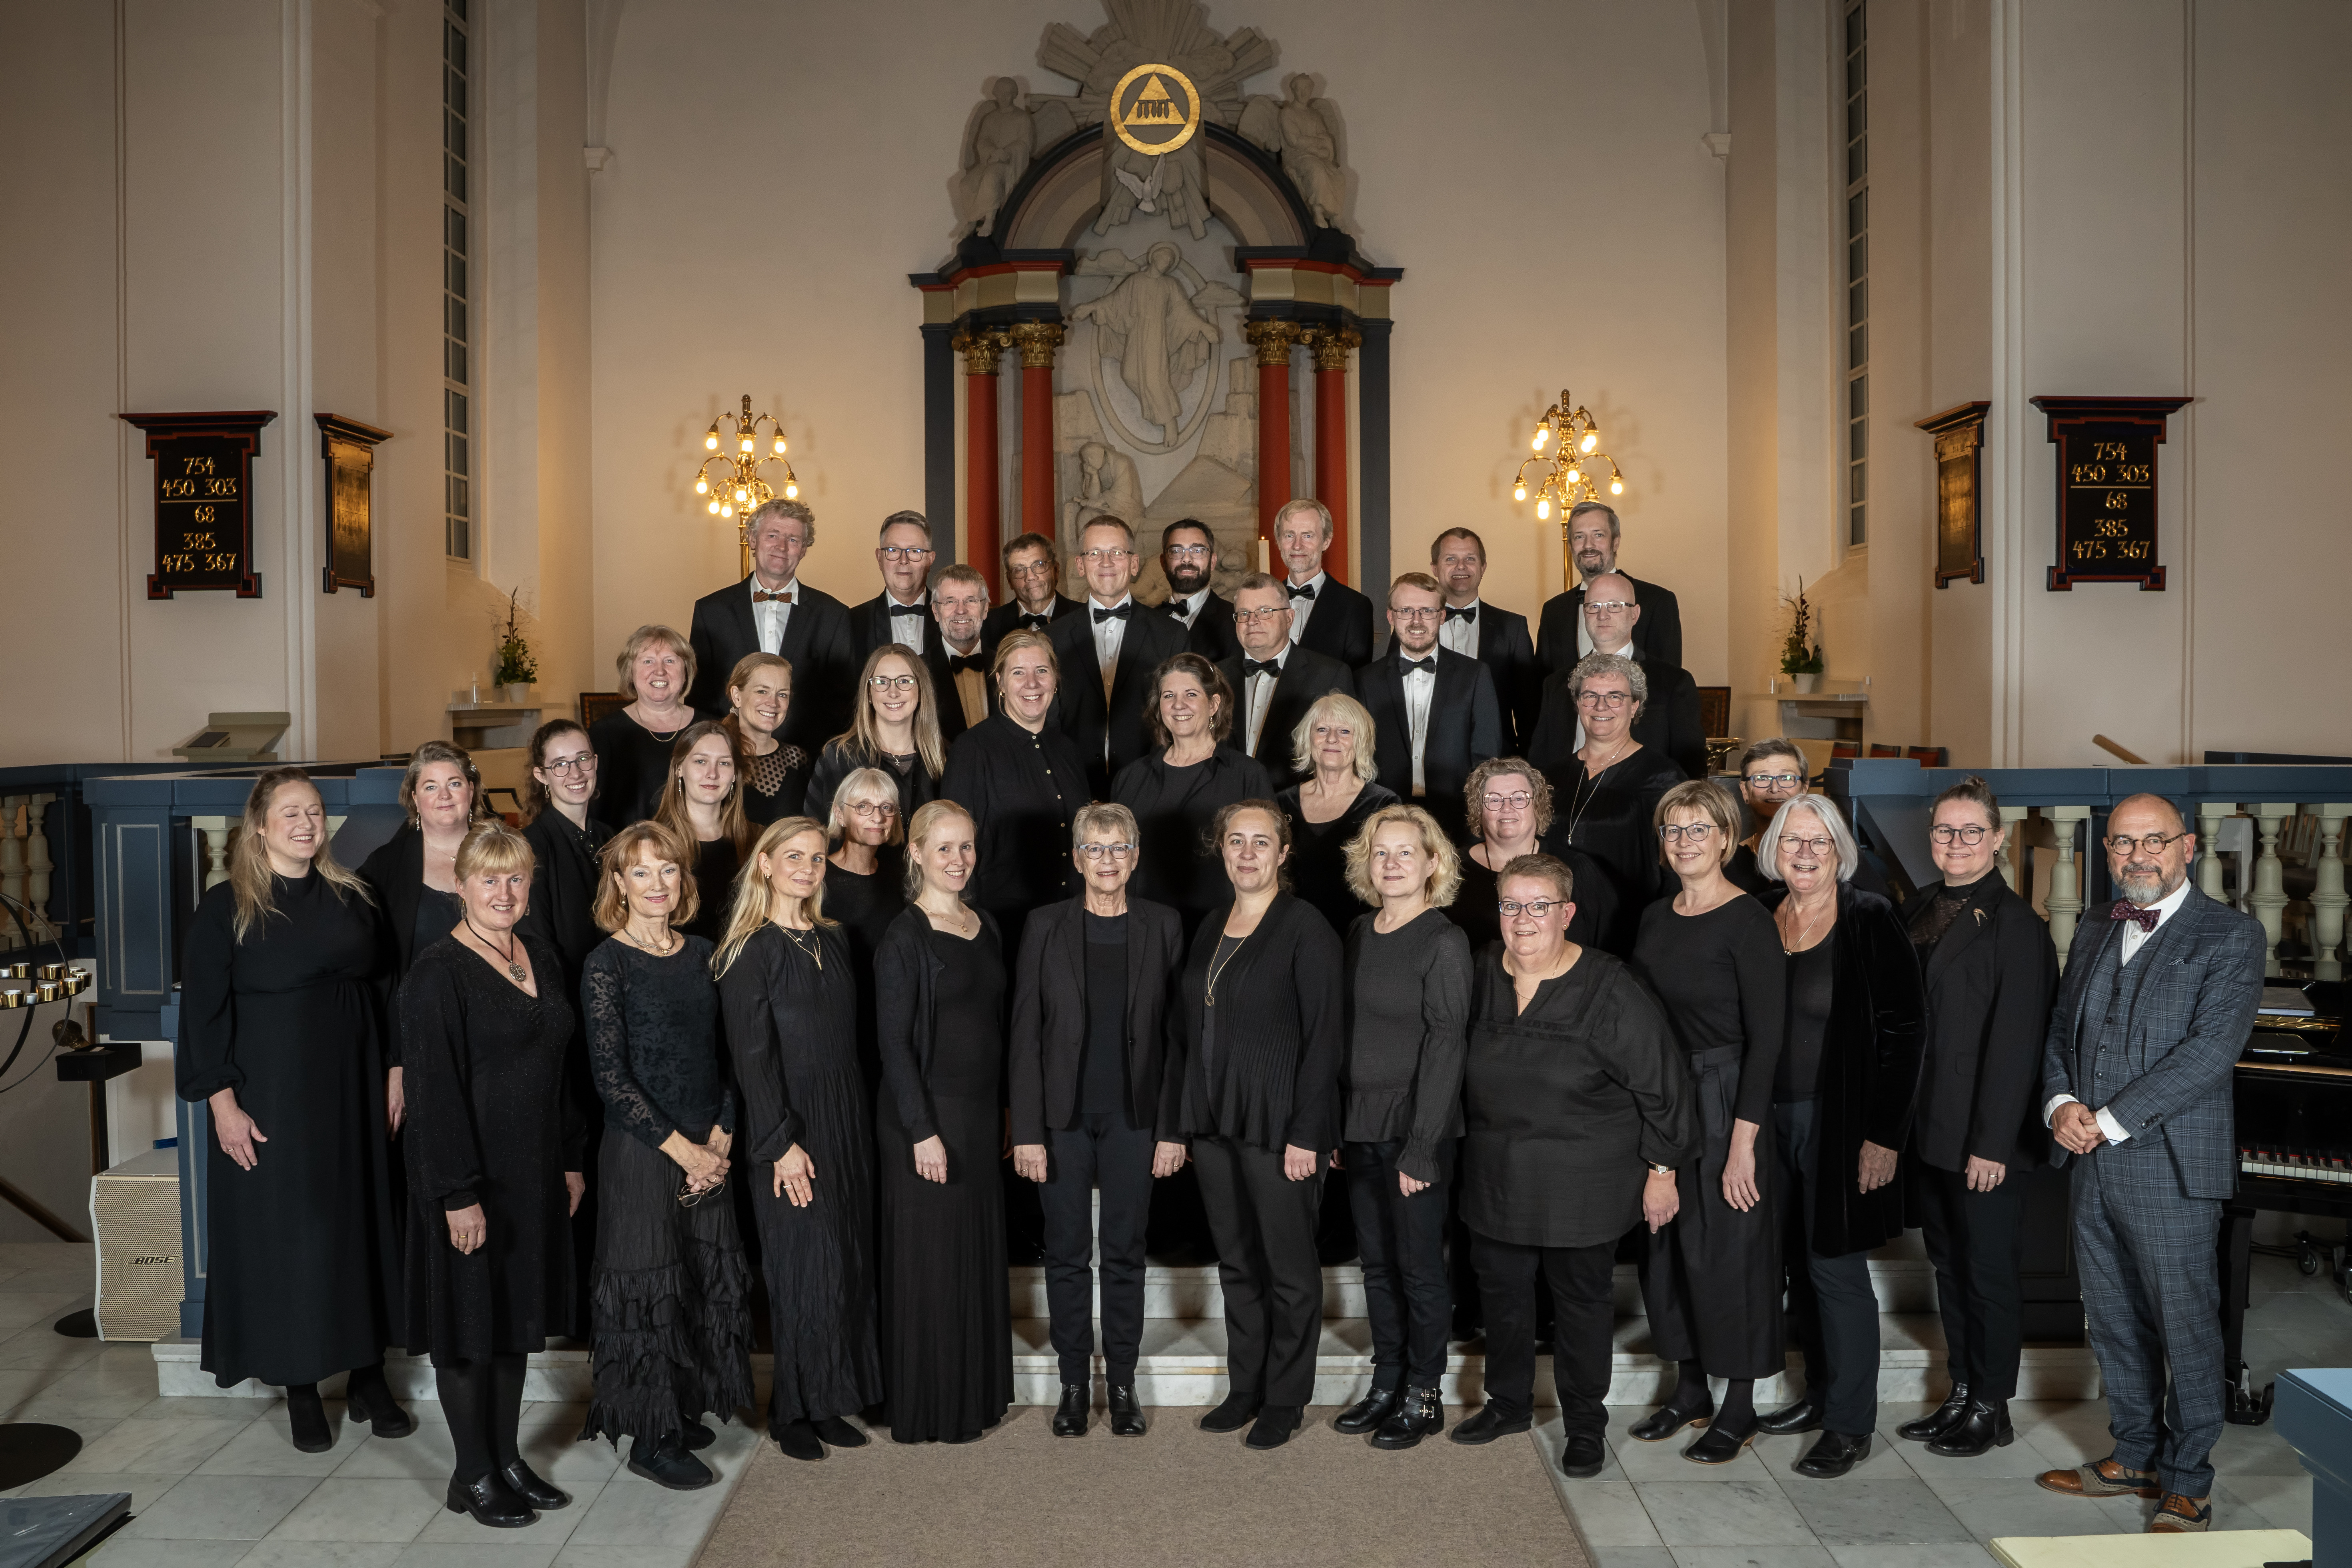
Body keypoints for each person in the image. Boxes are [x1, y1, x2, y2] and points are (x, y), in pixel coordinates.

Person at [2033, 793, 2264, 1534]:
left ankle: (2188, 1480)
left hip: (2169, 1164)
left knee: (2183, 1324)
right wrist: (2059, 1102)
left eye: (2153, 841)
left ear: (2187, 847)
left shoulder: (2232, 934)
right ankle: (2133, 1455)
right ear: (2106, 852)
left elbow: (2208, 1052)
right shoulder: (2097, 923)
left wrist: (2104, 1121)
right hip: (2088, 1158)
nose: (2137, 856)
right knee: (2111, 1319)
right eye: (2121, 843)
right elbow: (2060, 1027)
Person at [177, 767, 409, 1451]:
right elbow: (203, 1014)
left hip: (355, 1088)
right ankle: (301, 1385)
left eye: (314, 811)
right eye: (290, 813)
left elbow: (388, 986)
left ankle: (368, 1375)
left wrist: (395, 1068)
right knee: (291, 1236)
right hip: (273, 1096)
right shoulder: (226, 906)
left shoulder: (353, 893)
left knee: (358, 1224)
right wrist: (223, 1104)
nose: (307, 823)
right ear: (259, 825)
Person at [1448, 853, 1697, 1479]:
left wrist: (1662, 1170)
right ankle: (1507, 1404)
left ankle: (1585, 1425)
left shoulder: (1610, 986)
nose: (1523, 918)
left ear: (1566, 913)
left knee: (1580, 1304)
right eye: (1511, 905)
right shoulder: (1479, 970)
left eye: (1539, 906)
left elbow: (1663, 1085)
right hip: (1496, 1174)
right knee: (1502, 1297)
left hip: (1583, 1179)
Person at [399, 821, 586, 1528]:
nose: (504, 892)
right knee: (468, 1325)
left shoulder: (540, 953)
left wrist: (570, 1158)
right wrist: (456, 1194)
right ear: (460, 885)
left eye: (516, 878)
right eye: (489, 879)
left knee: (511, 1322)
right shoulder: (436, 973)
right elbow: (433, 1095)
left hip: (533, 1173)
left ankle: (507, 1459)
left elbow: (561, 1069)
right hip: (469, 1179)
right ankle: (471, 1472)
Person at [1749, 794, 1926, 1479]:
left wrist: (1884, 1136)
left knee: (1835, 1269)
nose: (1803, 853)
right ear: (1773, 849)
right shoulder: (1761, 914)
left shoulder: (1869, 916)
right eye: (1791, 841)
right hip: (1766, 1120)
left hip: (1840, 1123)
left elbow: (1906, 1033)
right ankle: (1819, 1395)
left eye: (1817, 841)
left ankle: (1850, 1424)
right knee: (1796, 1265)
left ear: (1838, 851)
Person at [578, 822, 753, 1490]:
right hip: (643, 1150)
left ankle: (678, 1406)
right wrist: (685, 1151)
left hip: (709, 1145)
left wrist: (723, 1135)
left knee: (702, 1281)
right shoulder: (606, 964)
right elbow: (611, 1079)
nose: (657, 883)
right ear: (619, 884)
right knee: (647, 1289)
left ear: (683, 879)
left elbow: (729, 1053)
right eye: (641, 872)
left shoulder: (705, 953)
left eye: (668, 869)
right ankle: (651, 1438)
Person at [1008, 802, 1189, 1439]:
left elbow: (1177, 1037)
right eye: (1094, 847)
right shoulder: (1044, 925)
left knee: (1123, 1251)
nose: (1106, 859)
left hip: (1135, 1119)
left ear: (1135, 857)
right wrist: (1026, 1130)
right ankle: (1073, 1386)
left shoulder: (1163, 924)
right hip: (1061, 1120)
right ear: (1076, 858)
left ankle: (1122, 1384)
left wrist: (1172, 1128)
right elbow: (1025, 1032)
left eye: (1118, 848)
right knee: (1065, 1251)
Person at [1168, 801, 1345, 1452]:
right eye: (1236, 841)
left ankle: (1285, 1397)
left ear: (1283, 852)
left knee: (1289, 1269)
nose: (1247, 853)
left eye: (1260, 842)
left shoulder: (1306, 928)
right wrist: (1183, 1118)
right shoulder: (1211, 924)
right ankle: (1245, 1386)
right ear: (1221, 850)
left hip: (1279, 1127)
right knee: (1238, 1263)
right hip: (1215, 1122)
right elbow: (1188, 1029)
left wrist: (1309, 1132)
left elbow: (1325, 1040)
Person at [716, 816, 887, 1462]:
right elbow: (751, 1059)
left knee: (842, 1262)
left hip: (845, 1120)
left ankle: (829, 1398)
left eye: (817, 859)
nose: (808, 869)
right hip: (787, 1128)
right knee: (798, 1269)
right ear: (765, 863)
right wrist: (780, 1143)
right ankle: (790, 1408)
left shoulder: (834, 938)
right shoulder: (747, 950)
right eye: (794, 856)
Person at [1896, 776, 2057, 1459]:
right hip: (1930, 1127)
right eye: (1944, 830)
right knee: (1949, 1265)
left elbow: (2018, 1046)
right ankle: (1961, 1390)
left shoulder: (2017, 927)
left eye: (1970, 831)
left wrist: (1991, 1144)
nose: (1955, 842)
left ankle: (1992, 1407)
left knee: (1988, 1273)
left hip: (1984, 1138)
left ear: (1996, 838)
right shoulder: (1920, 904)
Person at [1626, 780, 1787, 1463]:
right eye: (1673, 830)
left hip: (1727, 1096)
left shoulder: (1748, 919)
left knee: (1731, 1251)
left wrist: (1743, 1143)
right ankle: (1689, 1387)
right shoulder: (1654, 917)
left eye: (1699, 829)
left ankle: (1739, 1404)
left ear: (1726, 839)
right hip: (1664, 1094)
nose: (1684, 841)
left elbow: (1768, 1040)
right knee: (1667, 1246)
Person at [872, 801, 1015, 1443]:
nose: (958, 860)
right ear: (917, 853)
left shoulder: (985, 924)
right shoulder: (903, 936)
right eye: (945, 848)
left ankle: (973, 1396)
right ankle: (930, 1406)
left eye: (967, 847)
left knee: (970, 1258)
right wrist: (921, 1130)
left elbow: (994, 1026)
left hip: (980, 1116)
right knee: (931, 1264)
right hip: (926, 1119)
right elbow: (894, 1044)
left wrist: (1006, 1108)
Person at [1330, 804, 1471, 1450]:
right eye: (1380, 852)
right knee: (1378, 1266)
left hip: (1416, 1129)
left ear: (1432, 863)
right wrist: (1337, 1123)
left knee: (1418, 1268)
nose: (1390, 863)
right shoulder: (1359, 930)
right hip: (1360, 1124)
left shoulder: (1444, 940)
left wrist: (1422, 1146)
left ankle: (1423, 1392)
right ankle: (1386, 1380)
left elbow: (1446, 1045)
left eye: (1405, 852)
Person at [516, 720, 615, 1325]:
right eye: (560, 764)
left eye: (583, 759)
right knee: (579, 1162)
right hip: (573, 1030)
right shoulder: (534, 847)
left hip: (616, 1021)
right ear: (540, 775)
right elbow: (541, 953)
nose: (575, 773)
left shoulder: (607, 837)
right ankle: (581, 1313)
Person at [940, 628, 1090, 962]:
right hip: (1003, 927)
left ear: (1055, 680)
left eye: (1042, 671)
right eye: (1019, 673)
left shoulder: (1068, 750)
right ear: (1001, 682)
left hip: (1071, 920)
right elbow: (954, 851)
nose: (1032, 684)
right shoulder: (972, 749)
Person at [1526, 653, 1684, 954]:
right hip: (1554, 923)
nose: (1601, 706)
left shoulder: (1663, 776)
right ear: (1577, 703)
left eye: (1615, 696)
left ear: (1634, 705)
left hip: (1627, 926)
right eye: (1590, 696)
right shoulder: (1549, 776)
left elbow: (1677, 865)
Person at [1112, 653, 1274, 932]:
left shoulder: (1248, 775)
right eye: (1168, 696)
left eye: (1191, 694)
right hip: (1142, 930)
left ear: (1213, 704)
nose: (1179, 705)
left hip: (1220, 928)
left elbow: (1268, 864)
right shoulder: (1130, 778)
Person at [686, 498, 856, 746]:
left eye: (793, 540)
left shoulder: (834, 615)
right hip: (728, 753)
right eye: (773, 536)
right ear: (753, 540)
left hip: (807, 756)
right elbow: (699, 696)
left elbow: (844, 702)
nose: (782, 547)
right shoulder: (711, 610)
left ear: (804, 549)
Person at [1355, 572, 1503, 839]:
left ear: (1442, 616)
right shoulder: (1366, 680)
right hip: (1384, 816)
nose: (1416, 621)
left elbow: (1486, 759)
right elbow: (1360, 757)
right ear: (1391, 617)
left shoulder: (1475, 675)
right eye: (1406, 611)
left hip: (1458, 817)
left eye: (1427, 611)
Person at [1048, 515, 1188, 792]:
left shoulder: (1171, 635)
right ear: (1080, 565)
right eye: (1095, 553)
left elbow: (1180, 716)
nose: (1106, 562)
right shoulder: (1051, 639)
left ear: (1134, 564)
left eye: (1117, 553)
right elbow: (1047, 721)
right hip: (1072, 786)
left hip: (1151, 787)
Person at [1527, 573, 1705, 782]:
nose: (1602, 615)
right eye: (1593, 606)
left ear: (1635, 614)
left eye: (1614, 606)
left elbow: (1691, 771)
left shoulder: (1674, 682)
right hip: (1569, 798)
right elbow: (1539, 766)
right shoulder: (1556, 684)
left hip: (1647, 799)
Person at [1451, 758, 1617, 956]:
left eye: (1519, 799)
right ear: (1479, 810)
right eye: (1494, 800)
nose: (1507, 808)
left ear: (1537, 806)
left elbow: (1608, 948)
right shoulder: (1450, 869)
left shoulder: (1577, 869)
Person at [360, 740, 487, 987]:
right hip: (418, 1004)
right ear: (415, 798)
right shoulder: (385, 865)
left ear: (471, 791)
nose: (444, 796)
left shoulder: (504, 852)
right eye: (431, 787)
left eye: (454, 784)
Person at [1274, 692, 1399, 935]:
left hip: (1359, 935)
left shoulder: (1383, 804)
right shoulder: (1281, 803)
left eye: (1345, 731)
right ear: (1308, 738)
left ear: (1360, 742)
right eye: (1322, 730)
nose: (1332, 739)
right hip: (1289, 933)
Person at [1215, 573, 1354, 789]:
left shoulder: (1330, 675)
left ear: (1289, 618)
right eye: (1243, 614)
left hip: (1296, 801)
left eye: (1265, 612)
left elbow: (1344, 757)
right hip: (1226, 799)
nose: (1252, 621)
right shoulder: (1214, 676)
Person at [849, 510, 970, 744]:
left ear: (930, 559)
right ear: (879, 557)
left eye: (915, 552)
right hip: (874, 751)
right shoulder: (852, 622)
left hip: (949, 748)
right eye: (893, 551)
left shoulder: (958, 618)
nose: (903, 561)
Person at [1726, 738, 1898, 902]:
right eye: (1762, 779)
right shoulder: (1731, 858)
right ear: (1745, 791)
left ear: (1805, 788)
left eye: (1787, 778)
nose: (1775, 789)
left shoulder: (1834, 849)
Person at [824, 767, 908, 1095]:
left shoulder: (900, 876)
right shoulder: (817, 878)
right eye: (863, 807)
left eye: (887, 808)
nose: (878, 817)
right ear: (840, 814)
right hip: (839, 1026)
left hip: (890, 1020)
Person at [805, 643, 947, 830]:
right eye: (882, 682)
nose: (893, 692)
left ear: (921, 691)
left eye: (905, 681)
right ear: (869, 694)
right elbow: (812, 835)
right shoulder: (838, 757)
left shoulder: (947, 757)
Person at [1535, 500, 1685, 675]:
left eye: (1598, 535)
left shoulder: (1657, 601)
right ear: (1570, 546)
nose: (1588, 545)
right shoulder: (1553, 610)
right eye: (1579, 537)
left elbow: (1668, 679)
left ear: (1616, 542)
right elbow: (1543, 683)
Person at [1432, 526, 1541, 752]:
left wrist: (1527, 763)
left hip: (1497, 757)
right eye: (1451, 559)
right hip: (1428, 757)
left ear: (1483, 568)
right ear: (1435, 568)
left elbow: (1528, 710)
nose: (1461, 566)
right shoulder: (1415, 625)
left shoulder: (1513, 627)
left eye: (1470, 559)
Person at [590, 625, 703, 831]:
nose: (659, 671)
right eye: (648, 661)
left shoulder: (712, 729)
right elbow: (594, 811)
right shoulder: (603, 733)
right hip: (629, 847)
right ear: (630, 672)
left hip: (697, 845)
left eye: (670, 661)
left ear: (686, 671)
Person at [651, 720, 752, 945]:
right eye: (701, 761)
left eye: (724, 763)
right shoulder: (652, 843)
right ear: (679, 768)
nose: (712, 774)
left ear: (735, 774)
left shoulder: (758, 840)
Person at [1272, 498, 1374, 667]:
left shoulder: (1355, 607)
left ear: (1326, 541)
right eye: (1289, 536)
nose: (1297, 546)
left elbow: (1355, 677)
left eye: (1308, 536)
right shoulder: (1264, 603)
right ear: (1279, 542)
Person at [721, 652, 812, 826]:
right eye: (762, 692)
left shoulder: (797, 759)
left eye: (782, 695)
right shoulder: (716, 755)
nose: (773, 703)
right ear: (737, 696)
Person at [1155, 517, 1241, 661]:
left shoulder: (1235, 621)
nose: (1187, 559)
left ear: (1212, 562)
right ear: (1163, 562)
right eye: (1176, 551)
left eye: (1198, 551)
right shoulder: (1147, 621)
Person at [982, 531, 1082, 650]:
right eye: (1019, 570)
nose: (1030, 577)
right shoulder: (988, 625)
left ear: (1055, 571)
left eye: (1039, 565)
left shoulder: (1085, 617)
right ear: (1010, 581)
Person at [930, 563, 996, 732]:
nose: (961, 610)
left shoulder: (1006, 666)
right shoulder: (918, 671)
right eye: (950, 601)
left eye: (971, 601)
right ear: (936, 611)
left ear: (985, 609)